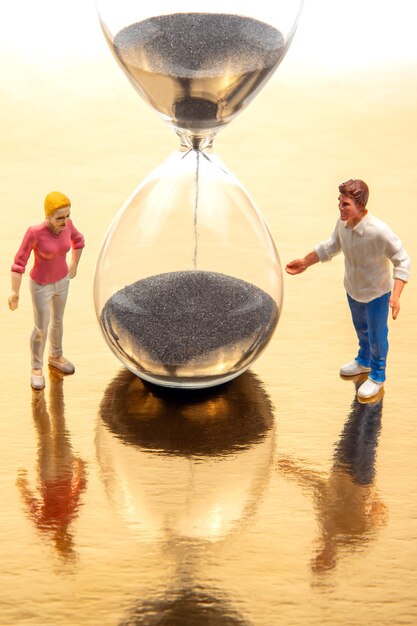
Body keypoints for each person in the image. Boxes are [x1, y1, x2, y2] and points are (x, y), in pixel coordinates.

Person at [285, 179, 410, 400]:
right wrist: (305, 261)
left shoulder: (379, 231)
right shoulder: (342, 225)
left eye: (346, 205)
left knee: (377, 335)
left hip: (376, 293)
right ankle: (364, 361)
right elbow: (331, 245)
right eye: (340, 203)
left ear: (360, 206)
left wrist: (396, 294)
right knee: (361, 330)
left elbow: (402, 260)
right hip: (353, 289)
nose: (341, 208)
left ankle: (378, 375)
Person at [8, 191, 85, 390]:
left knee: (58, 321)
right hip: (41, 284)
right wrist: (14, 291)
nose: (65, 221)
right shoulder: (35, 232)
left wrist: (74, 265)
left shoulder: (68, 226)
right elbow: (19, 263)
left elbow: (79, 241)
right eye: (60, 217)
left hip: (62, 281)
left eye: (68, 216)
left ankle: (56, 356)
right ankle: (36, 367)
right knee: (41, 326)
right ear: (48, 216)